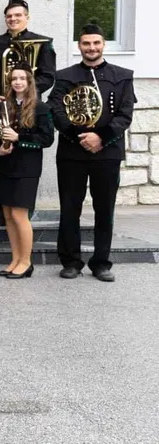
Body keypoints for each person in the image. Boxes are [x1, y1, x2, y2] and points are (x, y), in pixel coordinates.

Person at [49, 24, 135, 282]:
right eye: (86, 43)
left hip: (107, 152)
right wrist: (80, 137)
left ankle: (101, 263)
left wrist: (101, 137)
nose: (91, 48)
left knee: (104, 209)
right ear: (79, 46)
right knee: (69, 208)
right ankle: (71, 261)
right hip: (72, 152)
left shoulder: (122, 75)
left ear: (103, 44)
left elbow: (125, 114)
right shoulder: (65, 75)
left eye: (96, 43)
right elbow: (56, 110)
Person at [0, 0, 57, 229]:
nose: (13, 19)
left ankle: (23, 208)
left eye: (18, 15)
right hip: (0, 106)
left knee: (22, 157)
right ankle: (0, 211)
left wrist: (25, 92)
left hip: (27, 108)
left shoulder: (43, 43)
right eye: (10, 16)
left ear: (27, 17)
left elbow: (48, 75)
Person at [0, 66, 55, 280]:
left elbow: (46, 139)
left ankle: (26, 262)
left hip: (26, 168)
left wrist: (19, 138)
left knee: (19, 215)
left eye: (22, 79)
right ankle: (15, 259)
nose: (17, 82)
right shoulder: (3, 106)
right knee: (7, 215)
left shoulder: (40, 107)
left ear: (29, 82)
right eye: (13, 79)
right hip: (4, 165)